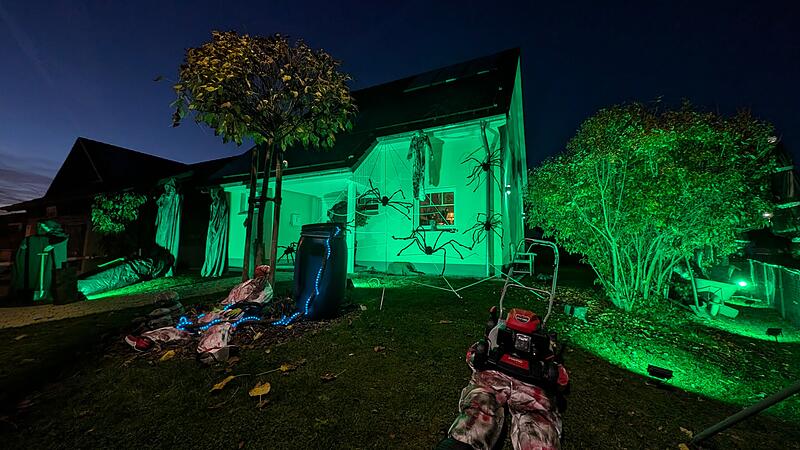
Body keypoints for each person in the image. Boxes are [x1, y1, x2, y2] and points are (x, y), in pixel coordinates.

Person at [437, 308, 569, 450]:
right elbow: (474, 356)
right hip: (495, 378)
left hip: (530, 386)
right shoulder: (493, 343)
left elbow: (561, 381)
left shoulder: (545, 352)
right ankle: (461, 444)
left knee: (538, 422)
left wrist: (551, 370)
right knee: (480, 408)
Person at [124, 265, 272, 363]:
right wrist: (217, 309)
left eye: (262, 275)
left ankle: (211, 351)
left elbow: (257, 305)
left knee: (221, 327)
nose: (259, 277)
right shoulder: (242, 285)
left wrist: (242, 308)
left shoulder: (266, 290)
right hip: (220, 312)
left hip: (234, 316)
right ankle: (146, 339)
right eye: (258, 274)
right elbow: (226, 301)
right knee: (187, 328)